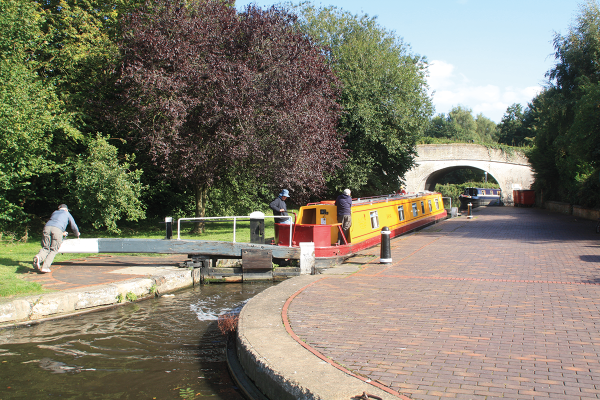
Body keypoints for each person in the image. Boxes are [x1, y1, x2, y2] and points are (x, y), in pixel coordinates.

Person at [33, 204, 80, 273]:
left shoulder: (54, 212)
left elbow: (54, 223)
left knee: (46, 248)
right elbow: (73, 226)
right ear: (66, 209)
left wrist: (62, 232)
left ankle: (39, 257)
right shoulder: (67, 213)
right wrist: (77, 234)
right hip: (57, 230)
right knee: (54, 249)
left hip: (47, 228)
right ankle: (45, 267)